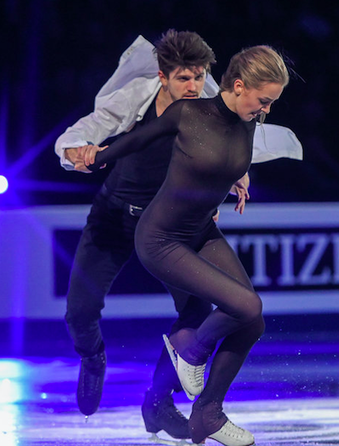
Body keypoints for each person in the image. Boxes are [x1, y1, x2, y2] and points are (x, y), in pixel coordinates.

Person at [85, 45, 290, 446]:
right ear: (237, 85)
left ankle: (207, 414)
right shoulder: (189, 114)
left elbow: (225, 154)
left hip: (200, 233)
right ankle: (190, 352)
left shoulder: (248, 120)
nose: (266, 110)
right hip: (161, 238)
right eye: (264, 100)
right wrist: (96, 155)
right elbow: (137, 140)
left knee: (253, 321)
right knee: (247, 305)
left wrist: (239, 174)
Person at [56, 30, 220, 442]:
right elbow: (84, 131)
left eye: (199, 77)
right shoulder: (136, 97)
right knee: (79, 312)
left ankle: (158, 400)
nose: (193, 87)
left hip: (170, 226)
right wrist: (76, 150)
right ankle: (93, 358)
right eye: (184, 78)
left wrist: (235, 176)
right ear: (163, 77)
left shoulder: (210, 109)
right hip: (114, 217)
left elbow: (233, 145)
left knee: (201, 313)